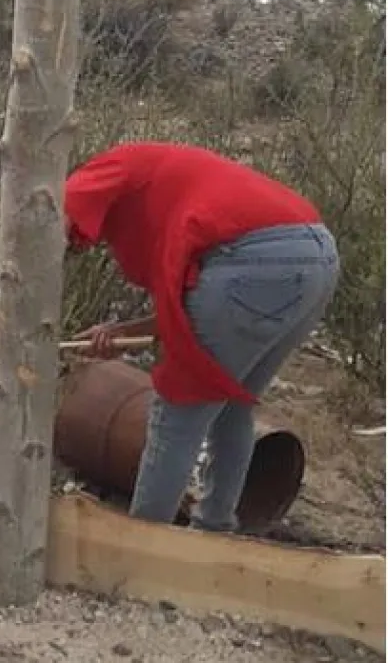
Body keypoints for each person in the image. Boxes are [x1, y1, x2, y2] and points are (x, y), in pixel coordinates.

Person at [65, 141, 340, 533]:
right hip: (317, 257)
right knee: (231, 409)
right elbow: (191, 309)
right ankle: (214, 530)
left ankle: (141, 545)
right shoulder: (168, 192)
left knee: (176, 416)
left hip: (254, 263)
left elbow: (58, 207)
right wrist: (123, 333)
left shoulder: (109, 168)